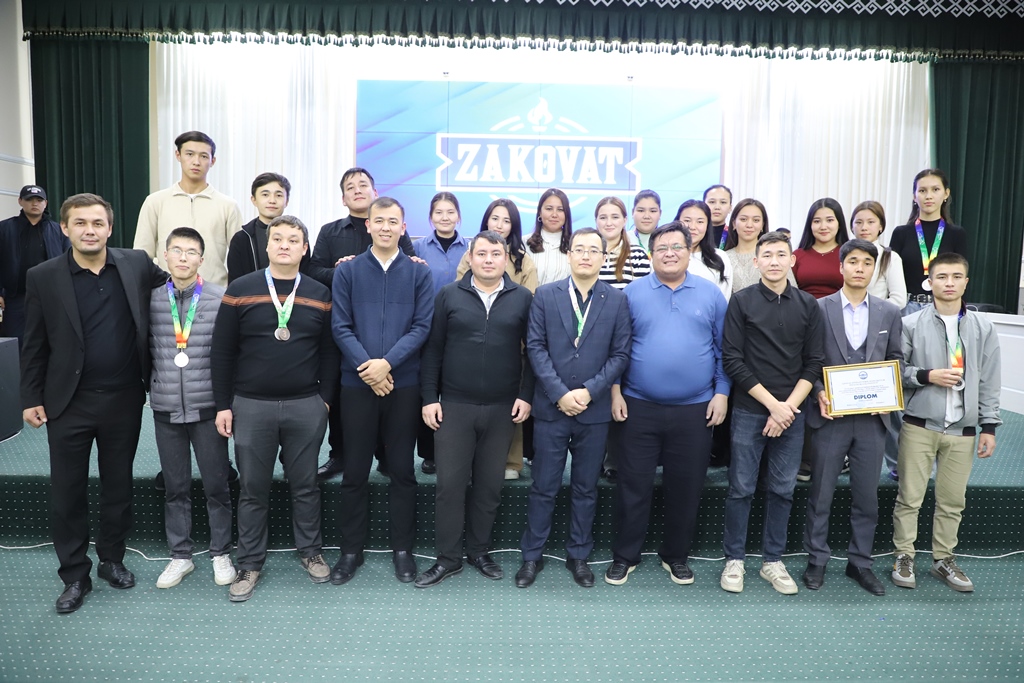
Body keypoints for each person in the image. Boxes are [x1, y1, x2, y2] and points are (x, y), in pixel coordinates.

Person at [21, 193, 168, 614]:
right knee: (67, 492)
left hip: (124, 399)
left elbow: (181, 281)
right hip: (68, 403)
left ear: (110, 228)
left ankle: (111, 559)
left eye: (98, 223)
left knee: (118, 486)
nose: (90, 230)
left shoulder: (136, 263)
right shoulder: (43, 276)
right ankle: (74, 575)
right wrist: (30, 397)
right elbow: (33, 342)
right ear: (64, 228)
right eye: (81, 223)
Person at [211, 216, 339, 602]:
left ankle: (311, 551)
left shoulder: (319, 292)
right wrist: (223, 405)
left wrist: (324, 401)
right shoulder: (240, 289)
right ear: (267, 246)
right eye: (278, 238)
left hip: (305, 406)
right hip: (251, 407)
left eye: (293, 240)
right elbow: (222, 351)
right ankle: (250, 563)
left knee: (306, 485)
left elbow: (330, 352)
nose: (284, 245)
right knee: (253, 489)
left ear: (304, 249)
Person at [605, 222, 729, 587]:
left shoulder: (710, 294)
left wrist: (722, 392)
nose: (669, 253)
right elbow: (617, 348)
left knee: (686, 487)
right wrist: (615, 390)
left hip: (696, 408)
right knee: (632, 485)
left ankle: (676, 556)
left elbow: (725, 350)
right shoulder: (632, 293)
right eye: (662, 248)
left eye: (677, 247)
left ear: (690, 252)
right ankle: (625, 556)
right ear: (651, 254)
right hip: (637, 405)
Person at [414, 231, 535, 587]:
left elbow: (534, 352)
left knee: (489, 486)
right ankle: (448, 558)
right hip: (454, 406)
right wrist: (429, 398)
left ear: (505, 258)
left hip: (502, 408)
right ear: (470, 257)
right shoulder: (448, 295)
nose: (488, 260)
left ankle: (479, 551)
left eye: (495, 254)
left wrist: (526, 395)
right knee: (449, 486)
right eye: (481, 253)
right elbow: (432, 350)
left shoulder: (523, 298)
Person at [516, 228, 632, 589]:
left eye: (593, 250)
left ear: (603, 257)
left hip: (593, 412)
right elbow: (535, 347)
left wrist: (589, 391)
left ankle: (579, 555)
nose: (585, 255)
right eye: (579, 249)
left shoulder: (617, 300)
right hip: (552, 409)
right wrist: (560, 394)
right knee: (543, 486)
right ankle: (531, 556)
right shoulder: (545, 295)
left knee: (585, 488)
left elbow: (620, 354)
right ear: (569, 254)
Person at [330, 197, 434, 586]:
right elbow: (340, 327)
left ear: (404, 228)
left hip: (402, 385)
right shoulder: (348, 271)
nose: (386, 227)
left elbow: (421, 327)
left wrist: (386, 365)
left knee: (403, 471)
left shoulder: (419, 273)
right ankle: (350, 551)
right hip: (356, 385)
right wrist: (369, 369)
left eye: (394, 221)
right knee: (355, 471)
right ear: (368, 226)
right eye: (380, 221)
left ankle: (402, 550)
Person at [720, 231, 825, 595]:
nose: (775, 261)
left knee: (782, 489)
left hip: (792, 414)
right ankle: (734, 559)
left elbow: (814, 362)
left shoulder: (808, 305)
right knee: (741, 488)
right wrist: (773, 406)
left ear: (792, 260)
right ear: (756, 261)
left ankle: (772, 561)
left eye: (781, 254)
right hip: (751, 409)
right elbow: (732, 359)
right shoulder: (741, 301)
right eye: (767, 255)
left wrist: (787, 409)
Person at [892, 252, 1000, 593]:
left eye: (956, 276)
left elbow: (989, 380)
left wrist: (989, 426)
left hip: (963, 430)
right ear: (930, 282)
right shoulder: (910, 324)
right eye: (942, 277)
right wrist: (927, 376)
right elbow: (895, 371)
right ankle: (903, 556)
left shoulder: (983, 328)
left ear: (966, 282)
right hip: (920, 425)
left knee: (953, 501)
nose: (949, 283)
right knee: (909, 498)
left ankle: (943, 559)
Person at [801, 239, 903, 596]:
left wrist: (889, 394)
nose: (860, 268)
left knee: (866, 496)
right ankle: (817, 558)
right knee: (821, 493)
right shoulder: (818, 308)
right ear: (841, 267)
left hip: (873, 420)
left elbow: (896, 359)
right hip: (830, 416)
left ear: (874, 269)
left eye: (867, 263)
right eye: (854, 261)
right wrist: (818, 391)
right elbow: (808, 360)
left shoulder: (889, 312)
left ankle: (860, 562)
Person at [312, 168, 415, 482]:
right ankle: (339, 455)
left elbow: (408, 264)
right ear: (343, 198)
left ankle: (385, 457)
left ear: (374, 192)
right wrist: (343, 271)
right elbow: (313, 271)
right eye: (350, 187)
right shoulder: (330, 232)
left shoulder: (393, 229)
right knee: (344, 400)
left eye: (363, 185)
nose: (357, 190)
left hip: (389, 338)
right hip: (345, 328)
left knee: (390, 412)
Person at [149, 227, 235, 590]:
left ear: (202, 259)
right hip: (166, 407)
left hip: (207, 408)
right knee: (175, 487)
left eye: (190, 252)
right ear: (164, 256)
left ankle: (221, 552)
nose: (183, 258)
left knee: (217, 485)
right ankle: (180, 555)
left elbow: (230, 354)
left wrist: (225, 403)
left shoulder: (220, 298)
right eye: (176, 250)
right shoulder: (151, 299)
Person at [456, 199, 538, 479]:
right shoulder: (469, 255)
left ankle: (511, 462)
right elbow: (461, 291)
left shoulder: (524, 260)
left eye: (506, 220)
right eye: (495, 218)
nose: (500, 225)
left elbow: (529, 302)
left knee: (511, 405)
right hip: (472, 340)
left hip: (512, 342)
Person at [134, 131, 241, 286]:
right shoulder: (155, 201)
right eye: (189, 154)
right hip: (166, 292)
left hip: (214, 293)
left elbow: (239, 257)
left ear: (213, 161)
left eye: (203, 156)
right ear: (178, 155)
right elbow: (142, 255)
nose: (196, 162)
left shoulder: (228, 206)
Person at [593, 196, 651, 481]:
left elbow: (644, 297)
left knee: (620, 397)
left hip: (625, 336)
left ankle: (614, 461)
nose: (609, 222)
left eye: (615, 217)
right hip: (592, 336)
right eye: (603, 217)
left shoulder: (637, 254)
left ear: (625, 220)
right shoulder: (590, 249)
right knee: (595, 397)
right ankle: (593, 459)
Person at [412, 192, 470, 476]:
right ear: (430, 217)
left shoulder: (472, 248)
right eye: (439, 212)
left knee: (455, 389)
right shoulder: (417, 248)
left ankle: (458, 450)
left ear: (458, 216)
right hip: (426, 325)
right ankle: (429, 453)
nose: (445, 217)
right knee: (428, 386)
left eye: (450, 212)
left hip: (461, 327)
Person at [888, 169, 969, 315]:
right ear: (914, 196)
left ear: (946, 194)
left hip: (943, 306)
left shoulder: (956, 234)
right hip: (906, 308)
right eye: (922, 191)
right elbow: (890, 276)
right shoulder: (901, 233)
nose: (928, 196)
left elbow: (961, 276)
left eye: (935, 190)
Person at [0, 185, 69, 342]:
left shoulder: (59, 231)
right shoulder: (4, 229)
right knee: (16, 341)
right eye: (29, 199)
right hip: (16, 298)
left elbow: (68, 261)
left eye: (39, 200)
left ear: (45, 203)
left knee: (52, 340)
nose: (34, 203)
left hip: (51, 296)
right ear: (20, 201)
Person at [227, 173, 311, 283]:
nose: (272, 200)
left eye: (279, 195)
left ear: (287, 201)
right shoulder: (242, 238)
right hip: (251, 293)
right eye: (265, 195)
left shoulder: (298, 237)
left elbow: (305, 276)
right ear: (254, 199)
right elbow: (235, 281)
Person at [723, 198, 795, 293]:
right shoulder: (724, 258)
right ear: (734, 223)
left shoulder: (775, 255)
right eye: (743, 219)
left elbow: (792, 293)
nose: (749, 225)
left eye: (756, 220)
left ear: (762, 225)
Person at [850, 201, 908, 311]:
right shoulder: (845, 255)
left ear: (880, 226)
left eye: (871, 222)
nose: (864, 227)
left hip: (876, 316)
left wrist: (867, 311)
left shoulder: (890, 257)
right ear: (852, 227)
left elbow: (899, 300)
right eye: (858, 222)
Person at [676, 199, 733, 301]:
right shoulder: (665, 255)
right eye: (687, 220)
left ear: (707, 226)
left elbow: (722, 300)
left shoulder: (720, 257)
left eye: (700, 222)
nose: (692, 227)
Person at [793, 198, 849, 299]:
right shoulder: (797, 255)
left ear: (839, 223)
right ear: (810, 225)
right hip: (803, 307)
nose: (823, 227)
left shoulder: (849, 255)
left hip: (839, 308)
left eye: (830, 220)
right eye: (817, 221)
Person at [526, 188, 573, 286]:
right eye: (549, 209)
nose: (554, 215)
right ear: (540, 212)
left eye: (560, 210)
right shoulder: (524, 243)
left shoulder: (575, 245)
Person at [703, 184, 733, 249]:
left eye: (723, 202)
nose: (717, 207)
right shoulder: (695, 232)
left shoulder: (735, 235)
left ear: (730, 208)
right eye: (712, 202)